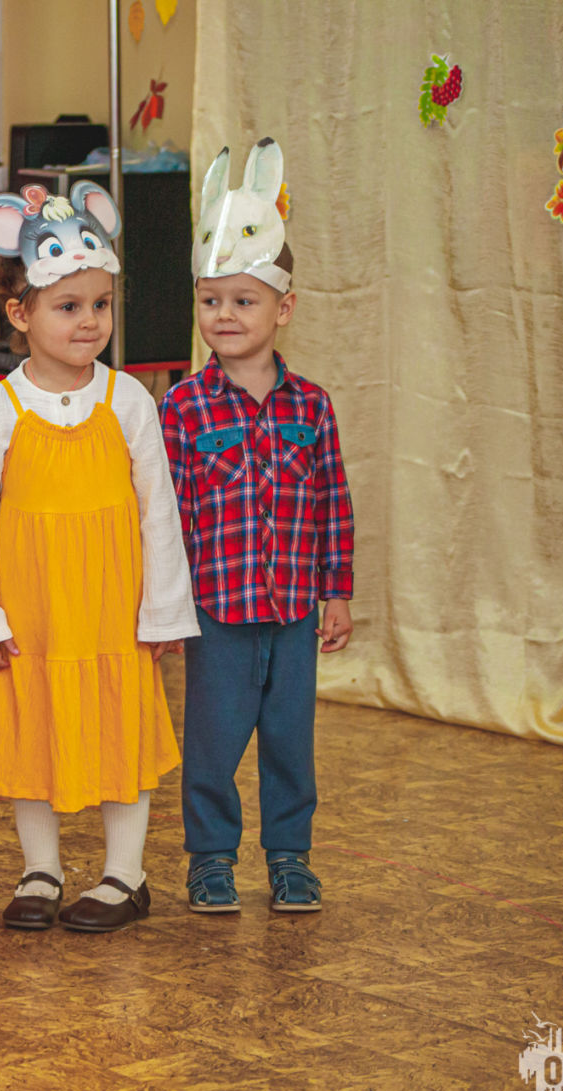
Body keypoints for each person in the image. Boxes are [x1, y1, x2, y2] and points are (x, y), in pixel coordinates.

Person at [0, 181, 198, 933]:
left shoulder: (130, 401)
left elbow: (159, 511)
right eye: (67, 306)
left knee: (121, 728)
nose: (88, 321)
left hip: (112, 610)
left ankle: (126, 874)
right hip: (32, 613)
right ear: (19, 314)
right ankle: (42, 868)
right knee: (34, 728)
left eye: (100, 304)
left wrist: (163, 610)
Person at [162, 139, 354, 914]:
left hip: (295, 611)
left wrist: (336, 592)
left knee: (289, 741)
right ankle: (210, 858)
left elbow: (333, 502)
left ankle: (290, 856)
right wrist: (165, 606)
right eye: (211, 301)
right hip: (217, 613)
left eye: (244, 300)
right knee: (211, 742)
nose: (226, 315)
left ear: (284, 308)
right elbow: (167, 515)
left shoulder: (312, 406)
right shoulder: (182, 407)